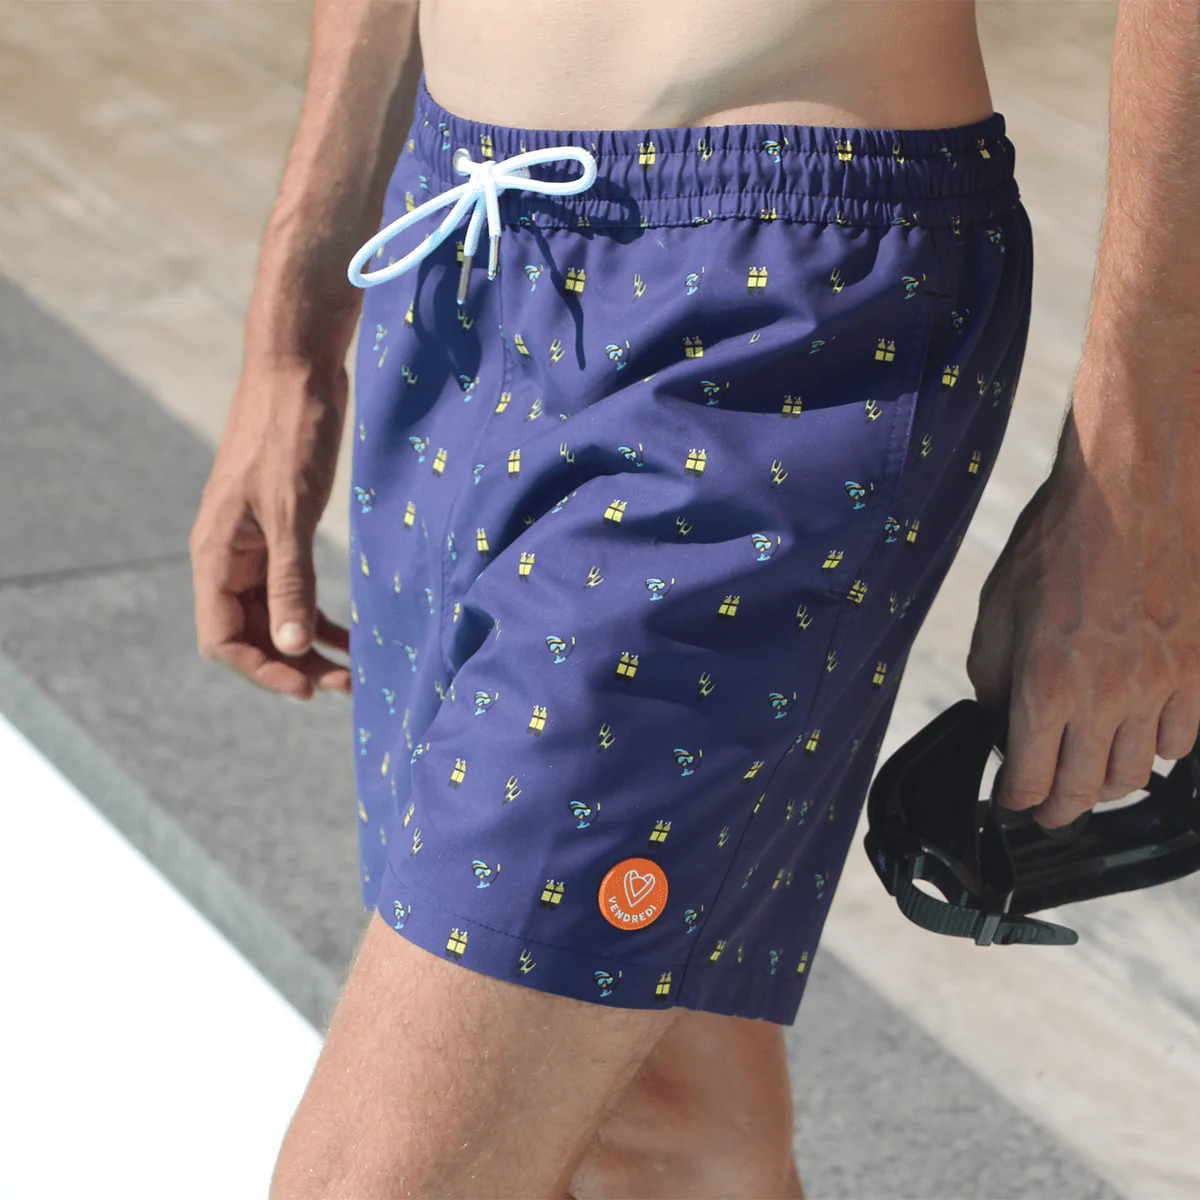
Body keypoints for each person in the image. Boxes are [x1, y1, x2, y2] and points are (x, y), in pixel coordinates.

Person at [187, 0, 1200, 1196]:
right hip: (459, 237)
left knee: (390, 1173)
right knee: (655, 1112)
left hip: (777, 304)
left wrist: (1141, 498)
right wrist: (295, 321)